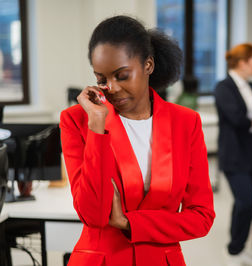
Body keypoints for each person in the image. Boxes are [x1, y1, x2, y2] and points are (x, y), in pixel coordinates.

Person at [60, 15, 215, 266]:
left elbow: (201, 218)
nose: (112, 88)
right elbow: (94, 215)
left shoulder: (186, 123)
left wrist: (128, 223)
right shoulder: (78, 120)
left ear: (148, 65)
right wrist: (97, 127)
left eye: (122, 76)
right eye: (101, 79)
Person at [215, 43, 252, 266]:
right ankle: (233, 251)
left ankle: (239, 248)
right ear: (242, 62)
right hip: (234, 154)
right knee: (245, 202)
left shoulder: (250, 85)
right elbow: (236, 118)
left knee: (245, 205)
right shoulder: (223, 87)